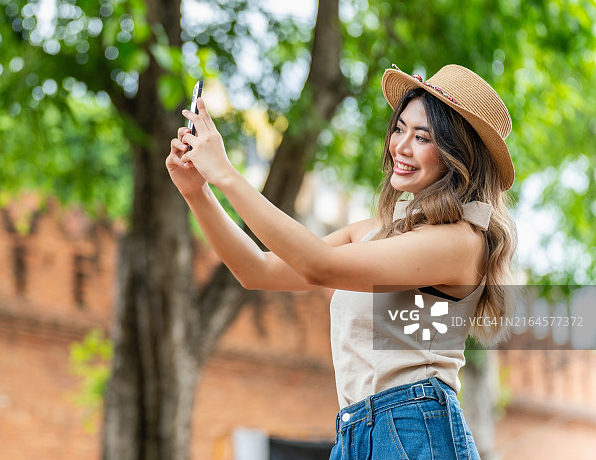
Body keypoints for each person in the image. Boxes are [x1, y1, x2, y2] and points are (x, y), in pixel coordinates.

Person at [165, 64, 517, 460]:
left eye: (423, 137)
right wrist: (198, 192)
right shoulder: (373, 232)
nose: (401, 146)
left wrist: (227, 173)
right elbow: (258, 270)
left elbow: (319, 265)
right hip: (355, 432)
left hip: (416, 428)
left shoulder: (461, 242)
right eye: (399, 129)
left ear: (458, 155)